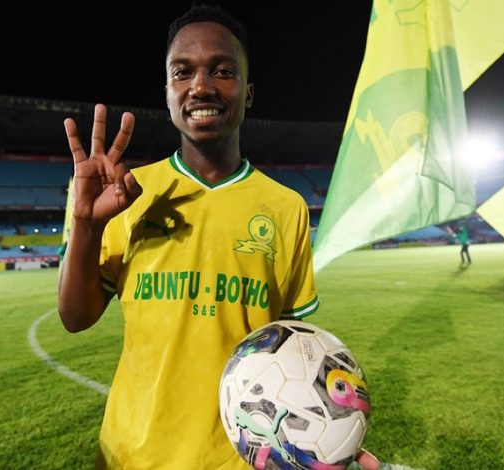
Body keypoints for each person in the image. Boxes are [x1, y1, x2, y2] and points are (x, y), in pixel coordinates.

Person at [58, 5, 379, 470]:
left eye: (222, 71)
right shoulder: (128, 194)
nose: (201, 86)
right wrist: (87, 225)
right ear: (168, 93)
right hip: (133, 453)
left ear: (248, 94)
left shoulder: (285, 206)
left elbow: (298, 348)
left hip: (244, 458)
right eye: (182, 72)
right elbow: (75, 317)